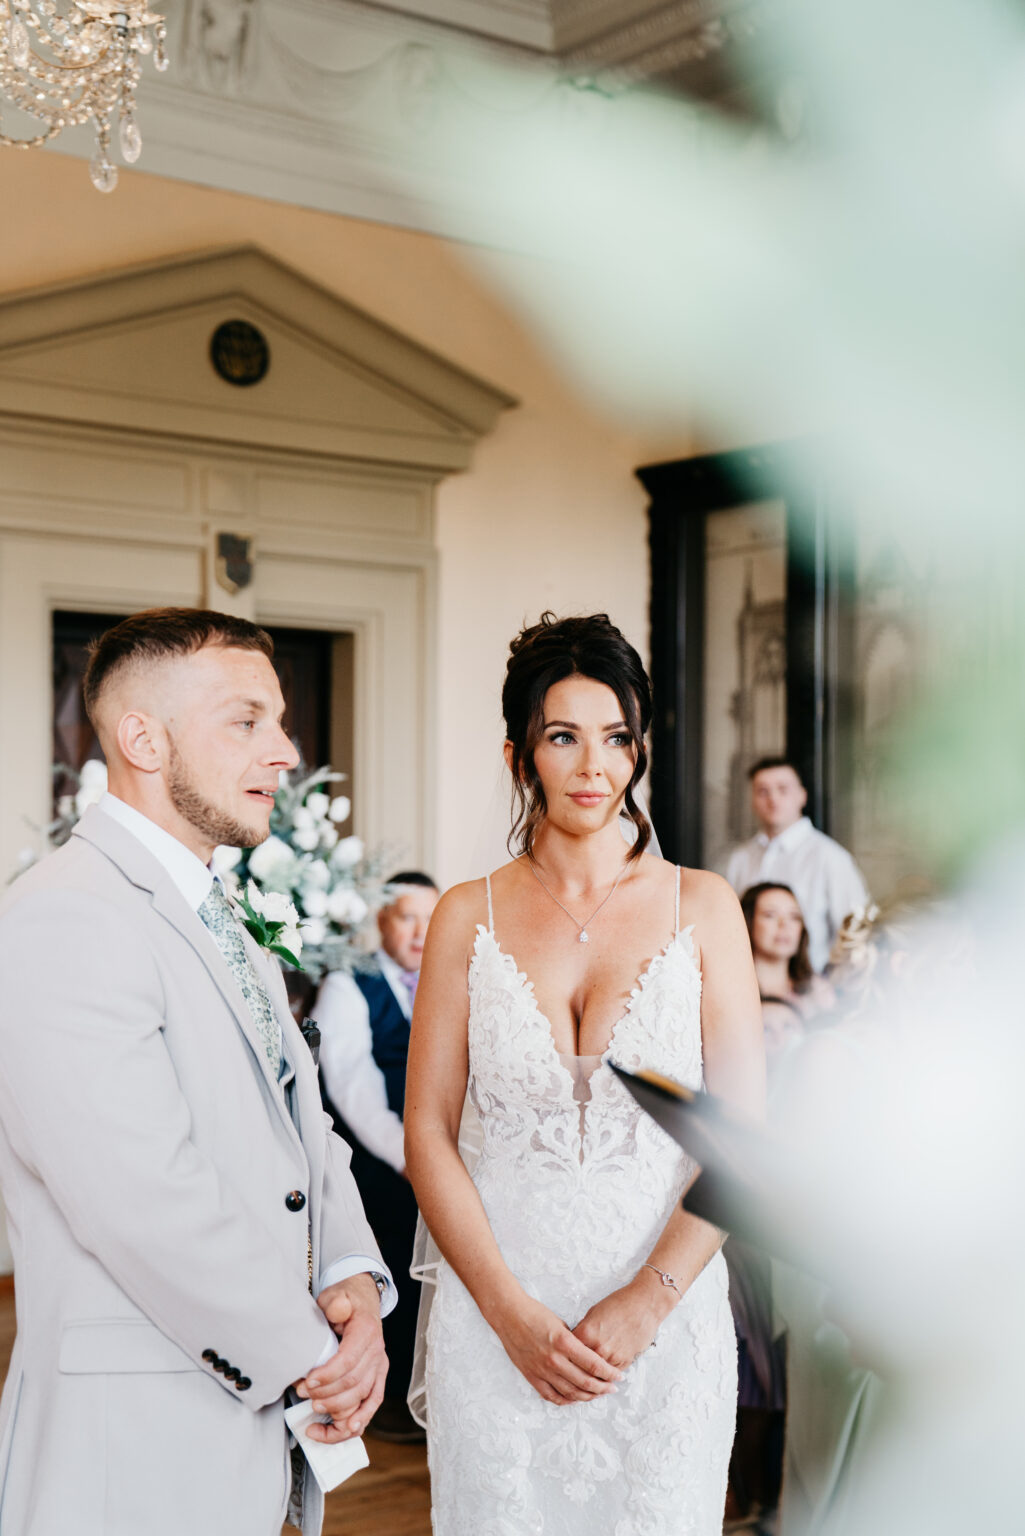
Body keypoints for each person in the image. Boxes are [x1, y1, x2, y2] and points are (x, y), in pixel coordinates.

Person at [0, 608, 396, 1536]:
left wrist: (351, 1280)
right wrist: (314, 1352)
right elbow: (137, 1194)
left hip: (240, 1421)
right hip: (132, 1439)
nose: (286, 752)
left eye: (281, 720)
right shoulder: (65, 914)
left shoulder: (220, 907)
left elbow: (307, 1122)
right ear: (142, 737)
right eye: (246, 720)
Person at [405, 612, 765, 1535]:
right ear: (520, 754)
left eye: (615, 738)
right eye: (562, 737)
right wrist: (505, 1313)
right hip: (497, 1323)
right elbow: (429, 1135)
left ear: (638, 750)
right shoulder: (462, 916)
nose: (592, 766)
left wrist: (650, 1302)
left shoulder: (704, 907)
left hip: (664, 1321)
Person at [316, 870, 439, 1442]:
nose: (421, 933)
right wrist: (406, 1155)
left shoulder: (447, 976)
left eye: (430, 918)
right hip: (375, 1159)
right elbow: (351, 1083)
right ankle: (386, 1401)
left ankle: (429, 1385)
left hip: (435, 1150)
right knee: (391, 1268)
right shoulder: (349, 983)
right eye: (407, 918)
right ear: (382, 922)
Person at [726, 758, 869, 972]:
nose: (773, 799)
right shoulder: (739, 859)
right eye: (763, 791)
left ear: (802, 796)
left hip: (811, 990)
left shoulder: (830, 857)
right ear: (753, 800)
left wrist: (832, 985)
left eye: (782, 789)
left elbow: (855, 935)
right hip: (747, 983)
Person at [740, 881, 835, 1018]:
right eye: (770, 915)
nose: (784, 925)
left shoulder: (818, 992)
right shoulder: (731, 991)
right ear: (747, 921)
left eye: (794, 917)